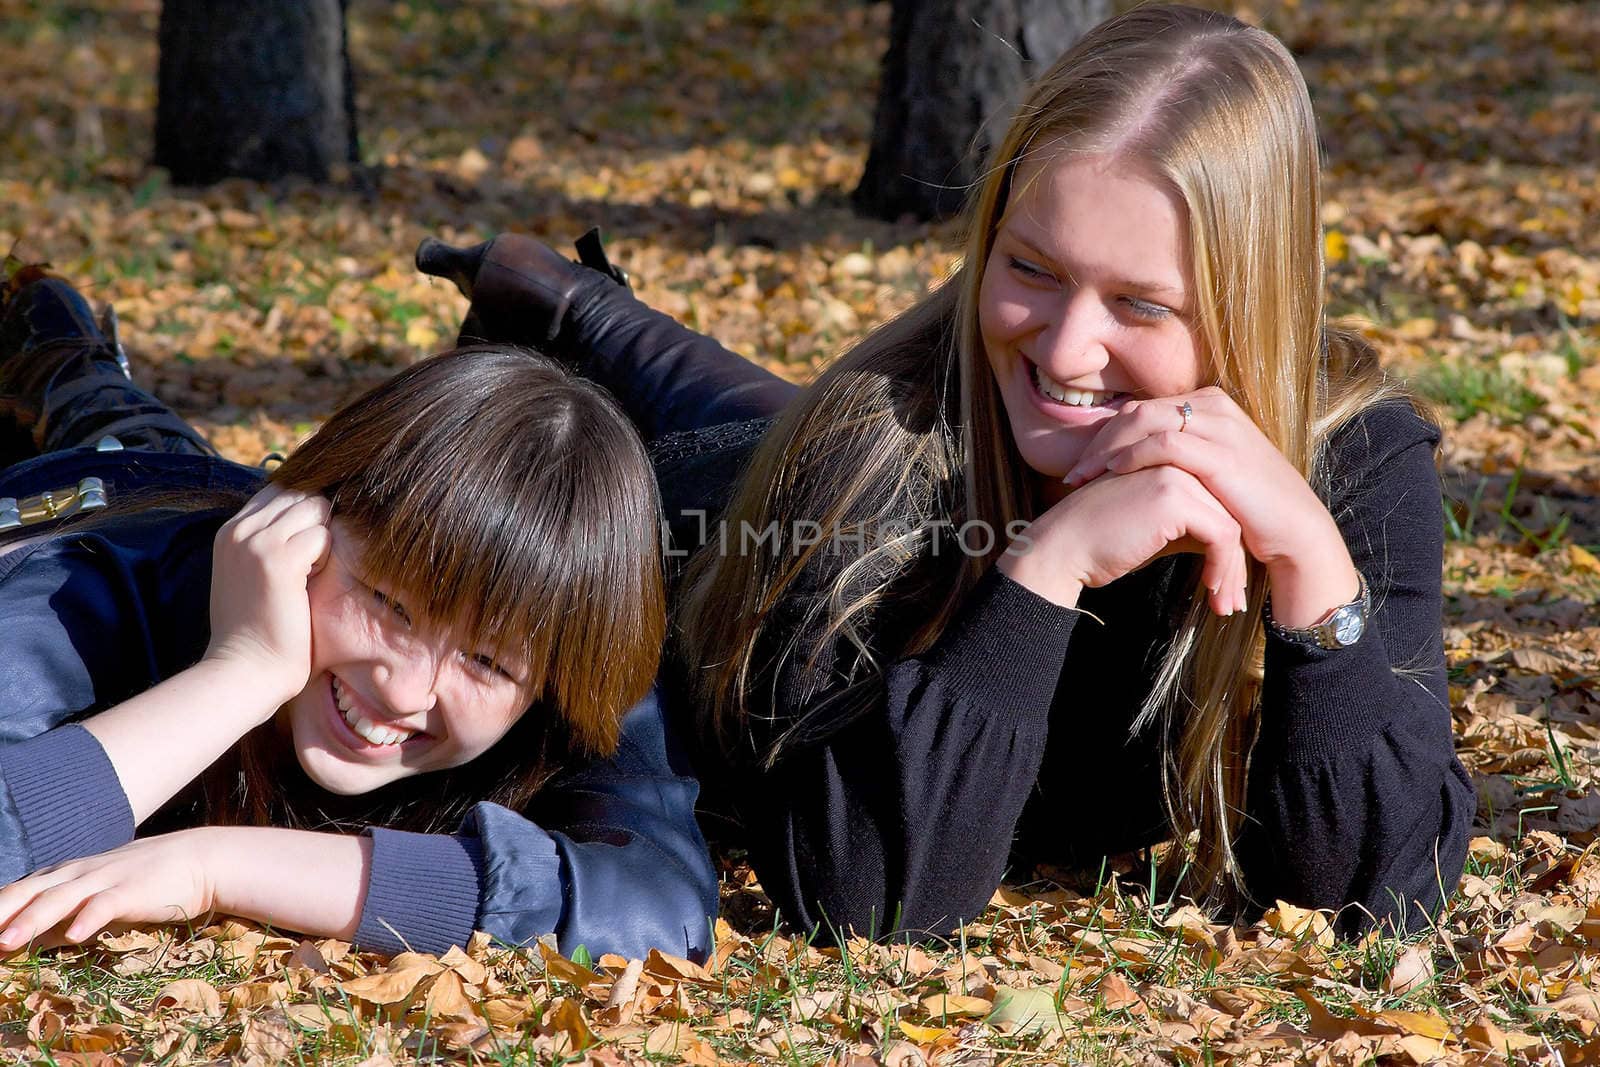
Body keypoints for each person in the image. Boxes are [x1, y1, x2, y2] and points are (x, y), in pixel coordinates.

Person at [424, 3, 1474, 940]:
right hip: (672, 510)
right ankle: (563, 321)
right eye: (1029, 270)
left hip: (803, 436)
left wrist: (1314, 576)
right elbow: (867, 893)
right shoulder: (870, 444)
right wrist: (1043, 567)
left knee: (778, 417)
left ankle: (574, 303)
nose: (1065, 349)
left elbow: (1382, 897)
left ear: (1251, 304)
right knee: (751, 444)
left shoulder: (1355, 455)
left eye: (1142, 306)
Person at [0, 269, 719, 960]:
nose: (404, 690)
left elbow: (655, 905)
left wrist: (216, 862)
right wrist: (240, 673)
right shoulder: (87, 587)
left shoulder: (566, 645)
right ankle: (62, 346)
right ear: (313, 525)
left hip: (200, 479)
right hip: (95, 499)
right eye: (391, 604)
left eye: (489, 662)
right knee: (105, 416)